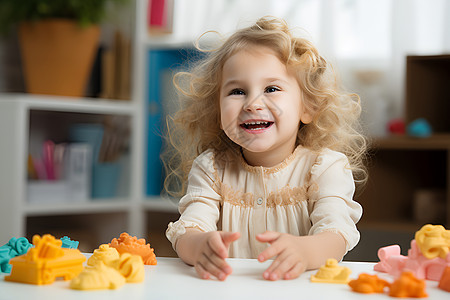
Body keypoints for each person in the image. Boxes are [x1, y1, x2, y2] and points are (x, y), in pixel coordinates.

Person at [163, 16, 367, 281]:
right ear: (217, 109)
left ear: (308, 107)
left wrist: (305, 251)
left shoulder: (325, 167)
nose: (253, 104)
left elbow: (337, 235)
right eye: (237, 91)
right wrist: (199, 246)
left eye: (271, 88)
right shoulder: (211, 168)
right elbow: (188, 229)